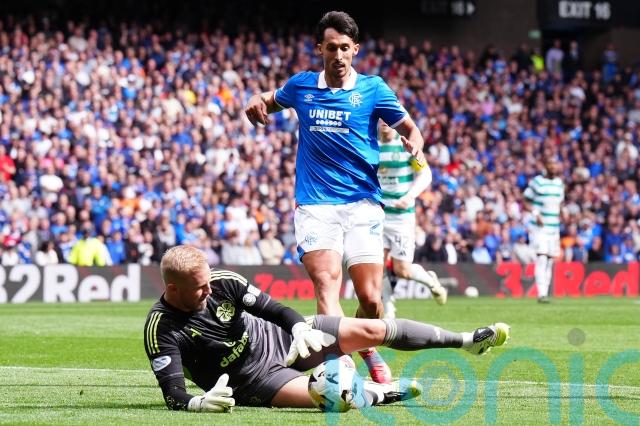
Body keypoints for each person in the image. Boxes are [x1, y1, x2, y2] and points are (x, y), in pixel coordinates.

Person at [244, 10, 426, 384]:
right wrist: (255, 99)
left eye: (345, 47)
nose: (338, 55)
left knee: (371, 299)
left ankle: (366, 346)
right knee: (327, 283)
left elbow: (411, 128)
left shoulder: (374, 89)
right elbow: (270, 99)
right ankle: (340, 369)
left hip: (363, 203)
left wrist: (415, 145)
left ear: (355, 49)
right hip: (315, 204)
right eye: (331, 48)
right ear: (320, 49)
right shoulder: (301, 86)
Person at [143, 245, 510, 412]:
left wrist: (299, 329)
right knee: (332, 397)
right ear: (173, 289)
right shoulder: (161, 329)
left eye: (208, 283)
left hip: (282, 339)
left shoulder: (223, 281)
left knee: (372, 328)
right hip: (253, 381)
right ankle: (379, 393)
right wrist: (198, 403)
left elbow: (276, 310)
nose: (209, 291)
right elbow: (173, 394)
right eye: (200, 288)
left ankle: (467, 341)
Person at [377, 121, 447, 319]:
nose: (384, 122)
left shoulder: (405, 146)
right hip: (378, 215)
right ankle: (389, 312)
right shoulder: (371, 145)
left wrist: (409, 196)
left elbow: (425, 174)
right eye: (380, 119)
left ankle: (431, 281)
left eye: (387, 118)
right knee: (376, 266)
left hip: (401, 218)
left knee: (403, 270)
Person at [523, 156, 565, 303]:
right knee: (541, 257)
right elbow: (525, 200)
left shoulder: (559, 183)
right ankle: (541, 293)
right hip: (540, 227)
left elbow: (559, 202)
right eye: (551, 164)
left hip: (554, 227)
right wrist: (535, 213)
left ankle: (545, 291)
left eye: (555, 164)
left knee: (550, 260)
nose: (554, 167)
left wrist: (563, 212)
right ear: (545, 166)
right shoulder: (537, 182)